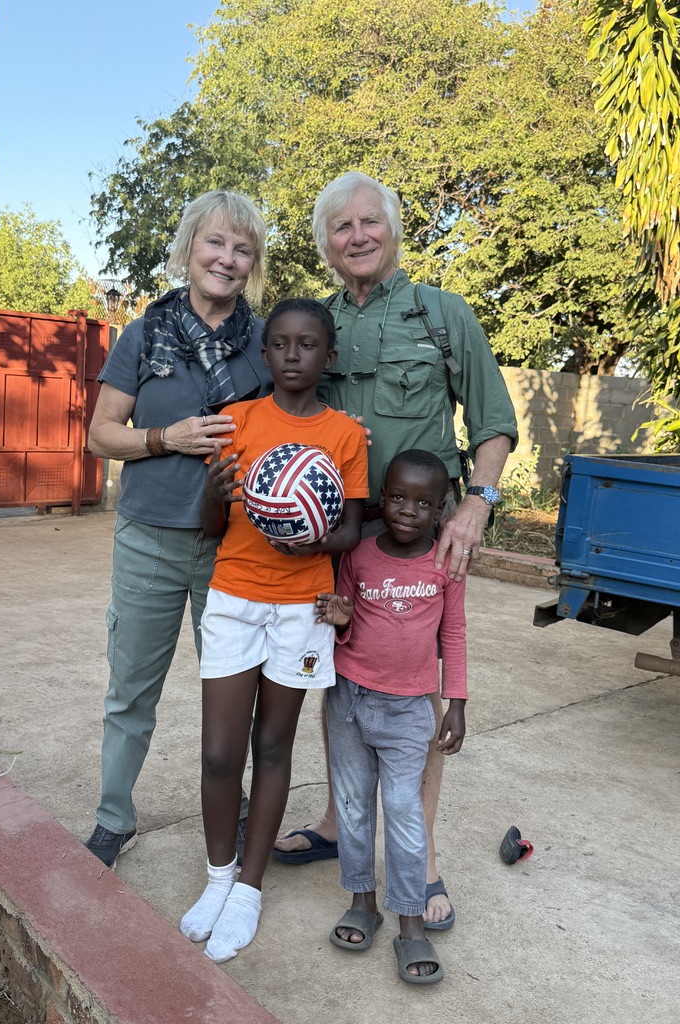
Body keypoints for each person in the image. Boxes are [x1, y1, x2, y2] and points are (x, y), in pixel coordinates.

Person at [273, 171, 518, 929]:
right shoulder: (318, 325)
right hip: (341, 535)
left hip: (422, 536)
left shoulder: (443, 314)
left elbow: (493, 421)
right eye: (341, 227)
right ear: (326, 245)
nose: (357, 236)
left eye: (369, 221)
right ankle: (336, 819)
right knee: (340, 674)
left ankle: (424, 855)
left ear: (393, 229)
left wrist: (476, 503)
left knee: (417, 689)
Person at [83, 190, 273, 868]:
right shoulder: (145, 333)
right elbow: (101, 435)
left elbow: (298, 421)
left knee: (235, 696)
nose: (226, 258)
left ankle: (237, 811)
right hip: (149, 542)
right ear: (190, 247)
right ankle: (113, 819)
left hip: (237, 547)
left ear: (253, 263)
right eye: (215, 242)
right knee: (131, 690)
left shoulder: (267, 341)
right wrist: (166, 437)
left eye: (242, 248)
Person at [179, 298, 368, 963]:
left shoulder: (344, 435)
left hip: (301, 609)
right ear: (265, 354)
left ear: (328, 357)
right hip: (234, 599)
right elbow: (211, 526)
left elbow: (351, 529)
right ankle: (218, 877)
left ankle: (249, 888)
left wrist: (311, 537)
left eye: (307, 344)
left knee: (272, 745)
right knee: (219, 753)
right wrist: (215, 493)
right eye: (281, 343)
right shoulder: (236, 421)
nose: (293, 355)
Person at [317, 448, 466, 985]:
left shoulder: (446, 563)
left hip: (408, 709)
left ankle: (411, 923)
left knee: (403, 810)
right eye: (398, 497)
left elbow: (454, 632)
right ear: (382, 499)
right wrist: (339, 621)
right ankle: (362, 902)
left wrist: (457, 702)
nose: (408, 510)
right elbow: (345, 622)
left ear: (440, 509)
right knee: (353, 805)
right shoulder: (357, 555)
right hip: (349, 700)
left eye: (423, 503)